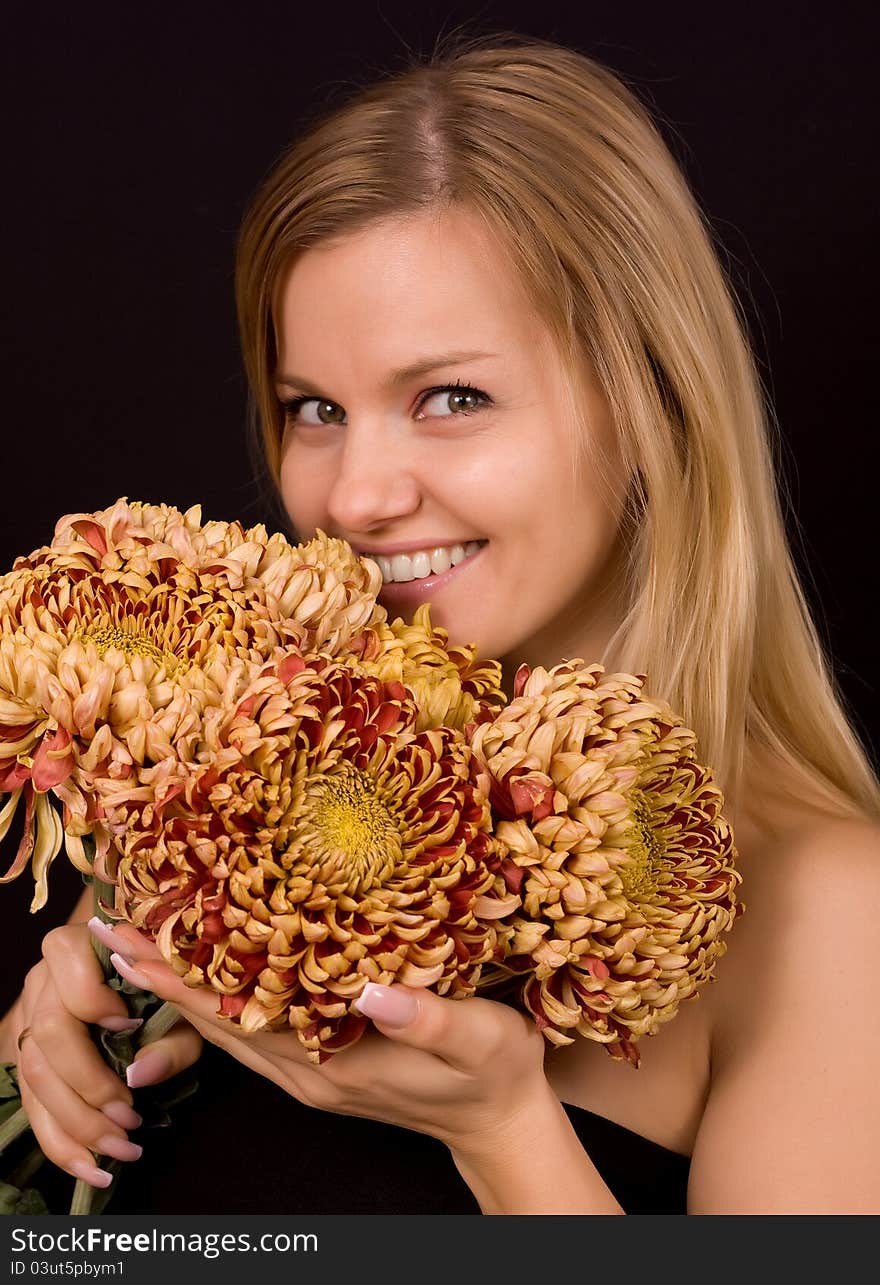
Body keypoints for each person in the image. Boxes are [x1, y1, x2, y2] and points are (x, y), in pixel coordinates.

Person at [2, 32, 879, 1215]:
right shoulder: (234, 789)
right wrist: (71, 1034)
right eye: (314, 408)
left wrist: (506, 1132)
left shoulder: (829, 913)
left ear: (651, 401)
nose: (354, 495)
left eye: (450, 398)